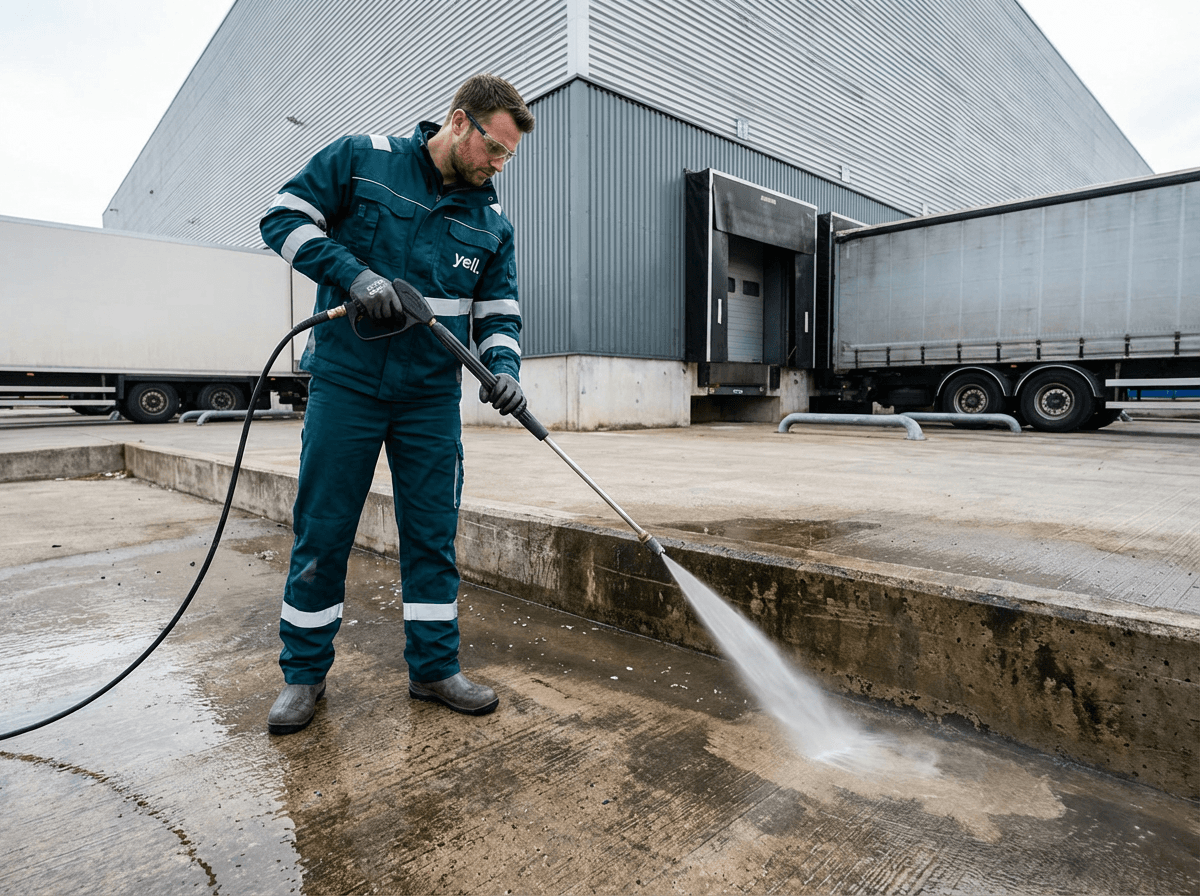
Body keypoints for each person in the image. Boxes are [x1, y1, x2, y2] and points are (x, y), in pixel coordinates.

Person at [259, 73, 535, 734]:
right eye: (494, 148)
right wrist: (353, 274)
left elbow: (499, 313)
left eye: (508, 157)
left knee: (432, 534)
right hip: (348, 383)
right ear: (460, 121)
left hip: (428, 398)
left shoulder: (490, 224)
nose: (500, 165)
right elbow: (283, 218)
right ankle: (303, 677)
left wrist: (503, 368)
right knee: (324, 528)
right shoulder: (362, 159)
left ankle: (435, 669)